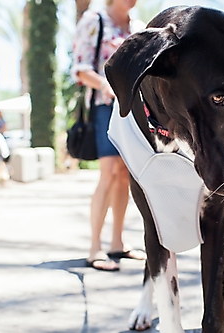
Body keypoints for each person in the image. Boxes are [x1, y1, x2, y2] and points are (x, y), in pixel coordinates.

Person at [72, 0, 146, 271]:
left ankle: (118, 242)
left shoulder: (138, 27)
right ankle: (95, 247)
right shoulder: (95, 20)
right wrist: (107, 83)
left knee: (125, 173)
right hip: (105, 107)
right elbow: (80, 69)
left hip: (133, 109)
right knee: (109, 171)